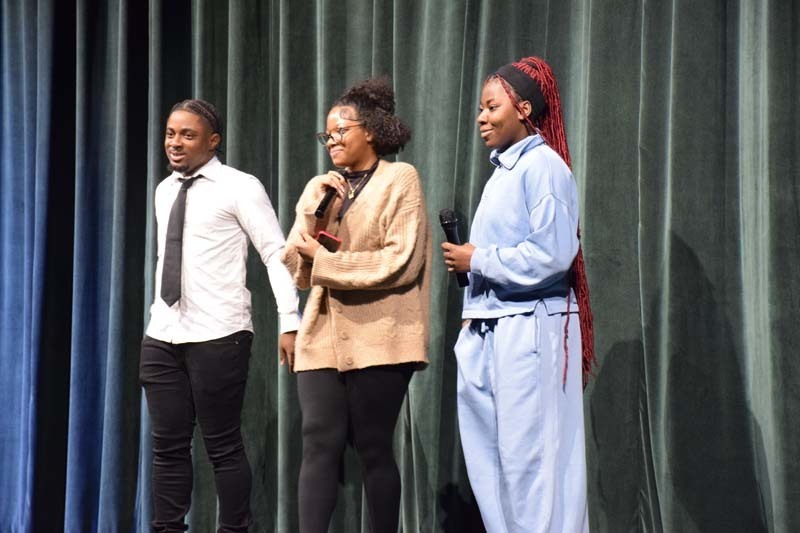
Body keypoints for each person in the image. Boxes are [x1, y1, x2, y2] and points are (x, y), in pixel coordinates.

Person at [441, 56, 595, 532]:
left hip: (531, 327)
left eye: (492, 107)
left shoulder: (544, 168)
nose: (481, 117)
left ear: (524, 109)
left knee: (532, 462)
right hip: (494, 327)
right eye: (480, 109)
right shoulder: (505, 172)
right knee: (494, 463)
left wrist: (479, 260)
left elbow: (552, 252)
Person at [139, 99, 300, 533]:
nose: (175, 142)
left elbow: (275, 253)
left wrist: (289, 320)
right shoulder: (164, 190)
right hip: (163, 333)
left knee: (222, 446)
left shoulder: (240, 186)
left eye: (187, 135)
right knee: (167, 447)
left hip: (219, 334)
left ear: (213, 141)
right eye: (170, 133)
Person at [281, 77, 431, 533]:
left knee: (372, 446)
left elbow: (400, 260)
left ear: (370, 131)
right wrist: (317, 213)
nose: (332, 141)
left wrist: (325, 261)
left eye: (341, 131)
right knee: (317, 442)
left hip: (382, 334)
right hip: (322, 335)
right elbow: (297, 266)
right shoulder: (320, 187)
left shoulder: (400, 179)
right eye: (326, 134)